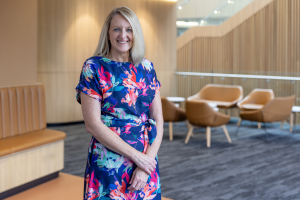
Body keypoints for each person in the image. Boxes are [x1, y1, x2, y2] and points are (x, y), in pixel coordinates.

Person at [75, 6, 163, 200]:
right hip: (109, 163)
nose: (123, 35)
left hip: (145, 162)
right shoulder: (94, 67)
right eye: (117, 29)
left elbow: (158, 120)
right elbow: (92, 124)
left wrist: (145, 163)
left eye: (129, 29)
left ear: (136, 33)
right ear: (107, 32)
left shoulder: (147, 67)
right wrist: (137, 157)